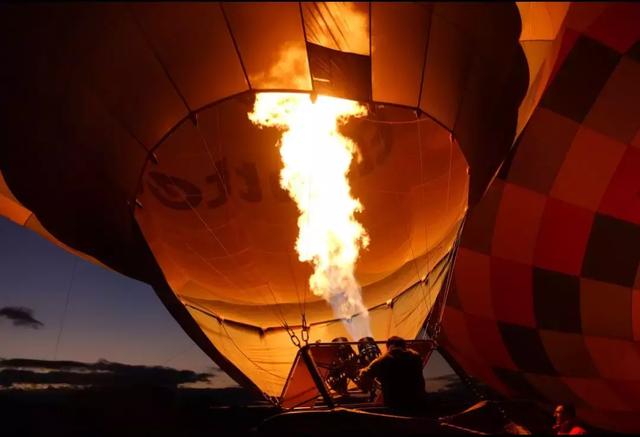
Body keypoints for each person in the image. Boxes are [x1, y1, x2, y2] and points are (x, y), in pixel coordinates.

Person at [358, 336, 426, 413]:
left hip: (395, 406)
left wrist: (362, 371)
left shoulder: (382, 360)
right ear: (404, 346)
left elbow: (364, 376)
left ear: (389, 347)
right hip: (418, 403)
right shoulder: (416, 357)